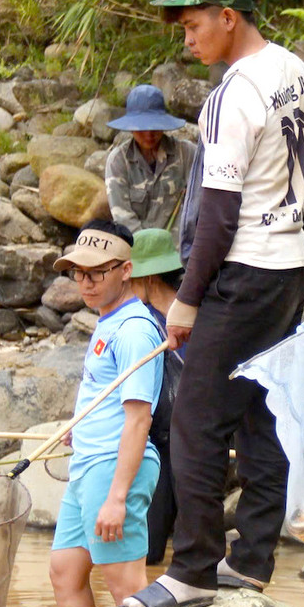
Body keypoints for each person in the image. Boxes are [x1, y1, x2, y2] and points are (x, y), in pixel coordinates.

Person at [118, 0, 304, 607]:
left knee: (194, 417)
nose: (187, 39)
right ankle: (249, 558)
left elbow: (218, 216)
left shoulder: (232, 97)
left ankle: (190, 570)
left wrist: (186, 300)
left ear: (228, 17)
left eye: (193, 24)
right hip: (290, 268)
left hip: (243, 270)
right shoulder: (292, 70)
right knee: (255, 408)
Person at [48, 219, 165, 607]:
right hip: (87, 462)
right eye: (79, 272)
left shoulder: (133, 331)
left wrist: (117, 498)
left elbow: (139, 419)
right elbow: (104, 392)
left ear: (126, 270)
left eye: (98, 272)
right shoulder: (107, 322)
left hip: (113, 467)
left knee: (126, 587)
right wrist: (78, 426)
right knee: (65, 571)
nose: (86, 282)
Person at [127, 227, 185, 566]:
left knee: (189, 531)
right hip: (157, 436)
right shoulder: (144, 319)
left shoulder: (191, 315)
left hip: (186, 434)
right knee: (149, 552)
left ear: (148, 279)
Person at [104, 84, 194, 235]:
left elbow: (200, 204)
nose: (149, 134)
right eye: (141, 128)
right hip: (138, 249)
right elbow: (123, 216)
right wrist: (147, 249)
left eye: (154, 127)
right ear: (131, 127)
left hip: (180, 251)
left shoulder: (186, 153)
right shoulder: (118, 161)